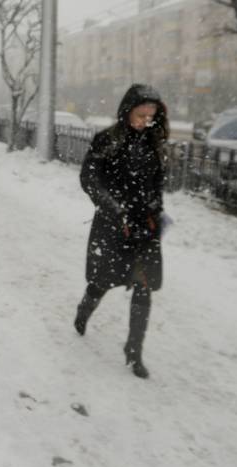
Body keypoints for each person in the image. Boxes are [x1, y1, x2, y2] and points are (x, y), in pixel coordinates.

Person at [74, 84, 169, 379]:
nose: (145, 121)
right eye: (141, 115)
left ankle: (133, 351)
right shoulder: (107, 140)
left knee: (143, 288)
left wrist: (155, 209)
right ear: (128, 111)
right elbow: (89, 178)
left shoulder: (153, 144)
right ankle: (83, 312)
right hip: (113, 225)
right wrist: (113, 208)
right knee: (102, 280)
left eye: (150, 116)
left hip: (144, 229)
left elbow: (157, 184)